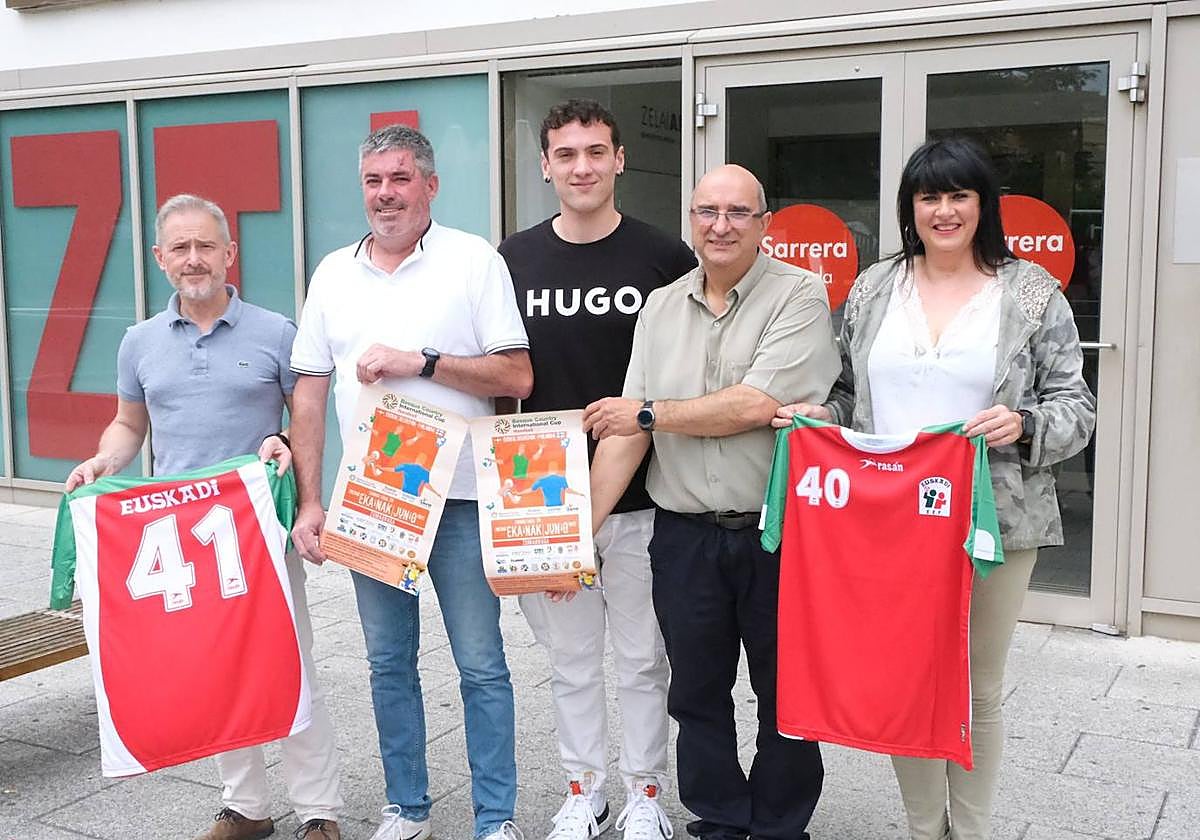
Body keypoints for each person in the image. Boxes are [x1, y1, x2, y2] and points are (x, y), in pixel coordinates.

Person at [773, 137, 1096, 840]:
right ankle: (925, 828)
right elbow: (847, 392)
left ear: (983, 206)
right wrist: (817, 417)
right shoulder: (872, 288)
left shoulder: (1032, 292)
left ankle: (971, 830)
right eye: (929, 197)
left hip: (994, 521)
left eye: (959, 195)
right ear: (909, 208)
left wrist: (1024, 421)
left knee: (976, 690)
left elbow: (1078, 410)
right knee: (902, 680)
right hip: (885, 519)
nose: (944, 211)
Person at [65, 194, 343, 840]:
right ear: (161, 259)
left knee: (289, 664)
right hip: (180, 542)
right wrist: (102, 462)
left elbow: (301, 424)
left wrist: (290, 466)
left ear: (229, 254)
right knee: (215, 674)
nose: (195, 259)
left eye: (206, 246)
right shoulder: (138, 344)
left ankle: (319, 811)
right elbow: (129, 425)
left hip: (258, 535)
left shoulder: (276, 332)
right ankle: (246, 807)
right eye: (181, 248)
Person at [287, 124, 533, 840]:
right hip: (373, 498)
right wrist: (311, 500)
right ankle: (408, 808)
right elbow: (307, 392)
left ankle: (496, 818)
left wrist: (422, 361)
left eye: (399, 178)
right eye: (373, 180)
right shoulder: (333, 272)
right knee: (387, 663)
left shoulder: (472, 260)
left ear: (429, 184)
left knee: (482, 664)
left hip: (458, 496)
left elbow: (516, 374)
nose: (385, 193)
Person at [586, 164, 840, 840]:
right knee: (696, 691)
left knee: (785, 691)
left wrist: (646, 413)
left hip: (777, 532)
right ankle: (721, 817)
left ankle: (782, 822)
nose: (721, 225)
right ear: (691, 222)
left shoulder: (800, 296)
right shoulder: (661, 306)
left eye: (737, 212)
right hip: (684, 534)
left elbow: (754, 405)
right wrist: (576, 531)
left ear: (763, 224)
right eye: (707, 212)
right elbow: (626, 434)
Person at [498, 99, 695, 840]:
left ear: (619, 160)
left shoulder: (663, 257)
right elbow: (499, 382)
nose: (582, 166)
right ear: (545, 165)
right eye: (566, 154)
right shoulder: (511, 261)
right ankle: (585, 790)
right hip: (546, 502)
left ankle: (646, 795)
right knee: (572, 663)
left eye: (595, 152)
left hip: (644, 500)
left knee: (643, 662)